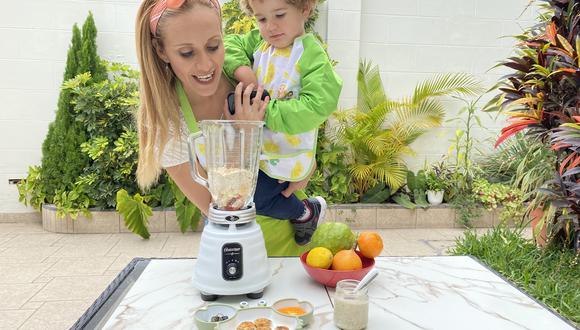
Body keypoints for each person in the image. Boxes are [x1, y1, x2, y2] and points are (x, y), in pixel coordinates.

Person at [134, 0, 313, 255]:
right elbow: (219, 208)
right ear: (161, 51)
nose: (206, 65)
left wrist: (308, 162)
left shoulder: (254, 71)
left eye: (213, 46)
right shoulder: (168, 124)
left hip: (299, 229)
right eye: (187, 53)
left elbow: (301, 121)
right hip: (237, 247)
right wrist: (246, 134)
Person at [223, 0, 343, 245]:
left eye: (279, 15)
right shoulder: (260, 42)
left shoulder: (311, 53)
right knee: (244, 194)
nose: (270, 27)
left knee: (258, 198)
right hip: (260, 148)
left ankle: (305, 212)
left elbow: (317, 106)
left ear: (305, 9)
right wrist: (243, 72)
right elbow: (228, 44)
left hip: (289, 153)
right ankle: (303, 213)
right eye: (262, 18)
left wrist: (264, 111)